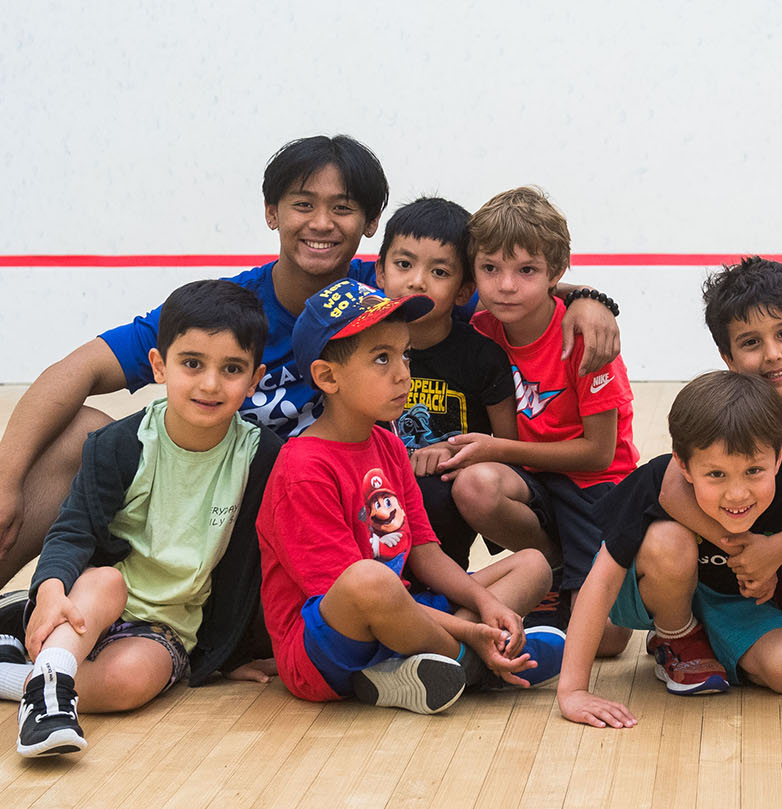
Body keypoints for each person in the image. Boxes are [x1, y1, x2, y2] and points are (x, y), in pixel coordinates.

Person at [0, 135, 619, 701]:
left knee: (433, 508)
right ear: (272, 213)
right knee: (84, 427)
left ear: (372, 225)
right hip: (227, 540)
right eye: (303, 203)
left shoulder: (396, 294)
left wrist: (589, 302)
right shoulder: (225, 311)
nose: (323, 222)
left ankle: (465, 625)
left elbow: (514, 287)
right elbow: (79, 368)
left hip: (354, 539)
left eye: (344, 207)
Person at [0, 280, 281, 757]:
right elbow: (74, 529)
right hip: (84, 602)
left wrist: (230, 652)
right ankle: (47, 696)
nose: (210, 383)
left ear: (255, 379)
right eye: (191, 363)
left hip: (166, 629)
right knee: (108, 582)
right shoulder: (119, 445)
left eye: (231, 369)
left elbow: (248, 568)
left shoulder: (263, 457)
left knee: (128, 685)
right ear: (159, 365)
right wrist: (50, 588)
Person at [255, 280, 565, 714]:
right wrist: (469, 631)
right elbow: (350, 593)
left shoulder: (388, 444)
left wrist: (485, 604)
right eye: (382, 358)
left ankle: (414, 669)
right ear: (327, 376)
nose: (403, 372)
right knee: (370, 579)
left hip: (404, 614)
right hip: (322, 652)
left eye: (404, 354)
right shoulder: (303, 469)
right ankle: (476, 664)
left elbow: (423, 550)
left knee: (532, 563)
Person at [555, 372, 782, 728]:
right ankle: (675, 634)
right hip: (652, 585)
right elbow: (603, 580)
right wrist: (573, 690)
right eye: (716, 475)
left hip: (734, 605)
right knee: (669, 541)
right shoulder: (655, 481)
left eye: (754, 470)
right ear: (683, 465)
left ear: (778, 457)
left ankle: (701, 647)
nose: (737, 494)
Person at [643, 256, 782, 661]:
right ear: (727, 358)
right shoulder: (730, 408)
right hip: (738, 545)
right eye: (750, 342)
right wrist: (746, 553)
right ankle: (682, 631)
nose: (772, 354)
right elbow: (672, 490)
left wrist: (775, 552)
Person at [441, 187, 640, 631]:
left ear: (556, 272)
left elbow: (599, 454)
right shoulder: (478, 328)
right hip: (529, 479)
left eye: (526, 270)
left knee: (604, 637)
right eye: (490, 269)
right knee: (473, 485)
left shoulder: (587, 337)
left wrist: (498, 449)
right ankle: (551, 568)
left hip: (593, 483)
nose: (506, 285)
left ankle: (576, 567)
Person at [371, 196, 516, 571]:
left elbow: (509, 448)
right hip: (374, 485)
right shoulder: (358, 348)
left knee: (431, 493)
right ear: (381, 273)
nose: (417, 281)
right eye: (404, 265)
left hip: (446, 497)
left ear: (465, 290)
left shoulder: (483, 357)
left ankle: (442, 598)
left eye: (439, 272)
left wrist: (454, 452)